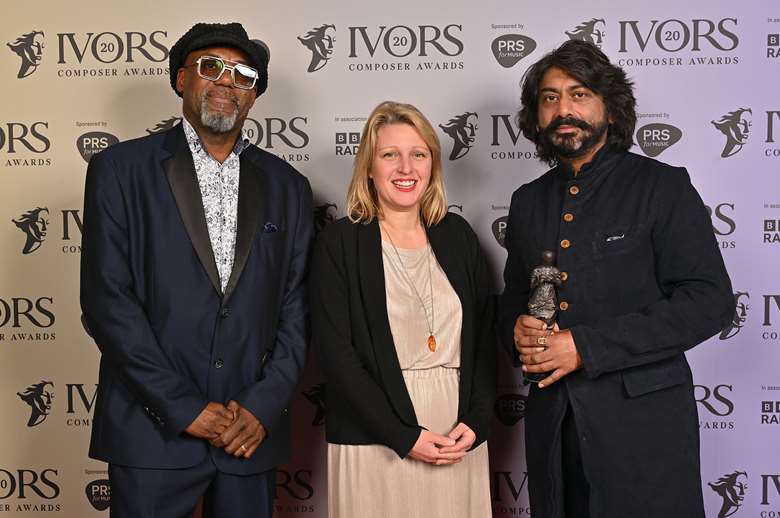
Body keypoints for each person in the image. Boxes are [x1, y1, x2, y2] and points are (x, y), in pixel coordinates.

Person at [80, 22, 313, 518]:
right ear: (182, 79)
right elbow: (107, 303)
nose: (227, 81)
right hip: (151, 433)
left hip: (248, 437)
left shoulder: (288, 186)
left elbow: (296, 308)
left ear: (253, 97)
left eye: (244, 74)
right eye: (212, 67)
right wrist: (186, 408)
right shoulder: (120, 170)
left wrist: (261, 406)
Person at [498, 40, 735, 518]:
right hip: (553, 434)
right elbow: (516, 297)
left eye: (579, 94)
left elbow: (710, 301)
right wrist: (515, 327)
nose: (564, 109)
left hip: (644, 436)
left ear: (609, 105)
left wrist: (584, 346)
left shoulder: (662, 187)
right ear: (536, 115)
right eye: (550, 97)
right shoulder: (527, 201)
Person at [310, 101, 496, 517]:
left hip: (456, 434)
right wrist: (403, 435)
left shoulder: (458, 236)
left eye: (419, 153)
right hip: (375, 434)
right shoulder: (340, 243)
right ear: (369, 168)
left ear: (433, 165)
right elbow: (336, 356)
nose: (405, 167)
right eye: (389, 154)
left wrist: (479, 420)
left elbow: (485, 339)